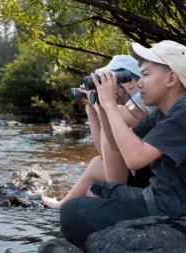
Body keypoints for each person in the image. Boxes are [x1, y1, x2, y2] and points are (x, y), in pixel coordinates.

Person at [59, 40, 186, 247]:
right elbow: (114, 145)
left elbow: (134, 160)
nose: (138, 84)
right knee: (98, 189)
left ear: (171, 78)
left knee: (71, 212)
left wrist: (111, 105)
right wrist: (102, 106)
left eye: (146, 75)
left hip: (181, 207)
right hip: (165, 196)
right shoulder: (168, 110)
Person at [42, 55, 156, 209]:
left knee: (95, 174)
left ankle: (69, 205)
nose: (104, 86)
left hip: (152, 179)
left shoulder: (142, 101)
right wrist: (91, 109)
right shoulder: (128, 106)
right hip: (144, 173)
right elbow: (105, 151)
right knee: (97, 162)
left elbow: (110, 140)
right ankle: (62, 204)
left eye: (109, 81)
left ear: (129, 82)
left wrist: (101, 102)